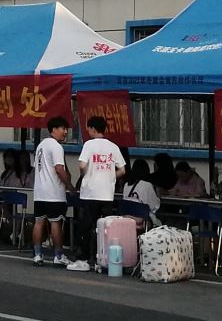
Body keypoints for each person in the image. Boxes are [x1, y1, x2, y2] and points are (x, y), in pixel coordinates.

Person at [67, 116, 125, 272]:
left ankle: (83, 260)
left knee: (86, 227)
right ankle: (104, 261)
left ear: (92, 128)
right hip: (107, 194)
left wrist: (85, 174)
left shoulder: (89, 145)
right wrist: (110, 176)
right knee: (105, 229)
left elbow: (82, 165)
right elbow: (123, 170)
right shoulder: (113, 147)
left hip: (90, 193)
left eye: (88, 128)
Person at [31, 118, 73, 266]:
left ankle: (37, 255)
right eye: (63, 129)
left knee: (39, 222)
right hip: (54, 192)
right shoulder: (56, 146)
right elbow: (59, 169)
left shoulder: (41, 146)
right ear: (54, 129)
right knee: (56, 222)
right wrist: (69, 186)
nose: (65, 132)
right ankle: (58, 255)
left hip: (39, 192)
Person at [123, 157, 162, 225]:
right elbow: (154, 206)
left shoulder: (126, 184)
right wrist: (158, 197)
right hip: (143, 221)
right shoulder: (147, 185)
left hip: (127, 218)